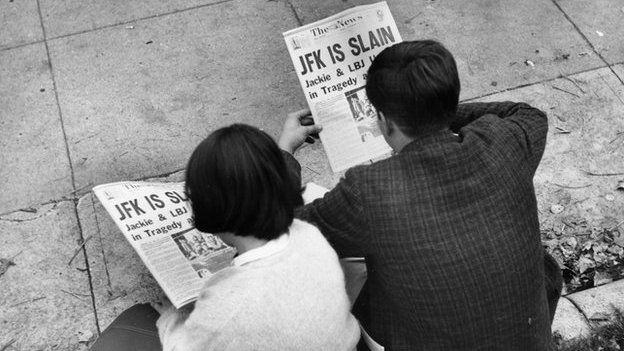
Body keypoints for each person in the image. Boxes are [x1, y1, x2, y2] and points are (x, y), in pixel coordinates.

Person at [278, 40, 562, 350]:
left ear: (383, 121)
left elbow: (282, 227)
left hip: (418, 336)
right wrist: (435, 111)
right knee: (543, 265)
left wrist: (283, 151)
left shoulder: (370, 191)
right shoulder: (505, 143)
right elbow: (526, 114)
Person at [90, 124, 360, 351]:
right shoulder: (310, 234)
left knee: (134, 322)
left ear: (211, 210)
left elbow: (185, 346)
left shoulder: (230, 303)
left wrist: (170, 318)